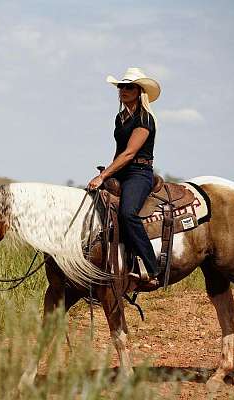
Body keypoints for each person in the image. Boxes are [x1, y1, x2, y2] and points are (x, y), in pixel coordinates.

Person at [87, 67, 161, 283]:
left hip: (139, 172)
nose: (124, 90)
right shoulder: (120, 118)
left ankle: (151, 266)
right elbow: (119, 152)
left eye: (129, 87)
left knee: (128, 213)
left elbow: (129, 153)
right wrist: (109, 173)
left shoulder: (145, 118)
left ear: (139, 91)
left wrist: (103, 176)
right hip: (122, 171)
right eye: (121, 86)